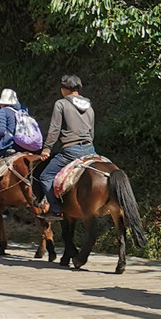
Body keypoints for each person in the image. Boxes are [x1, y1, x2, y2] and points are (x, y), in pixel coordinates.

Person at [38, 74, 96, 216]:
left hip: (71, 151)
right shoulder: (89, 106)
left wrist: (47, 148)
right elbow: (92, 131)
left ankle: (56, 210)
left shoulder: (61, 104)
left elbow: (55, 128)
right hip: (90, 149)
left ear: (64, 89)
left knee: (45, 176)